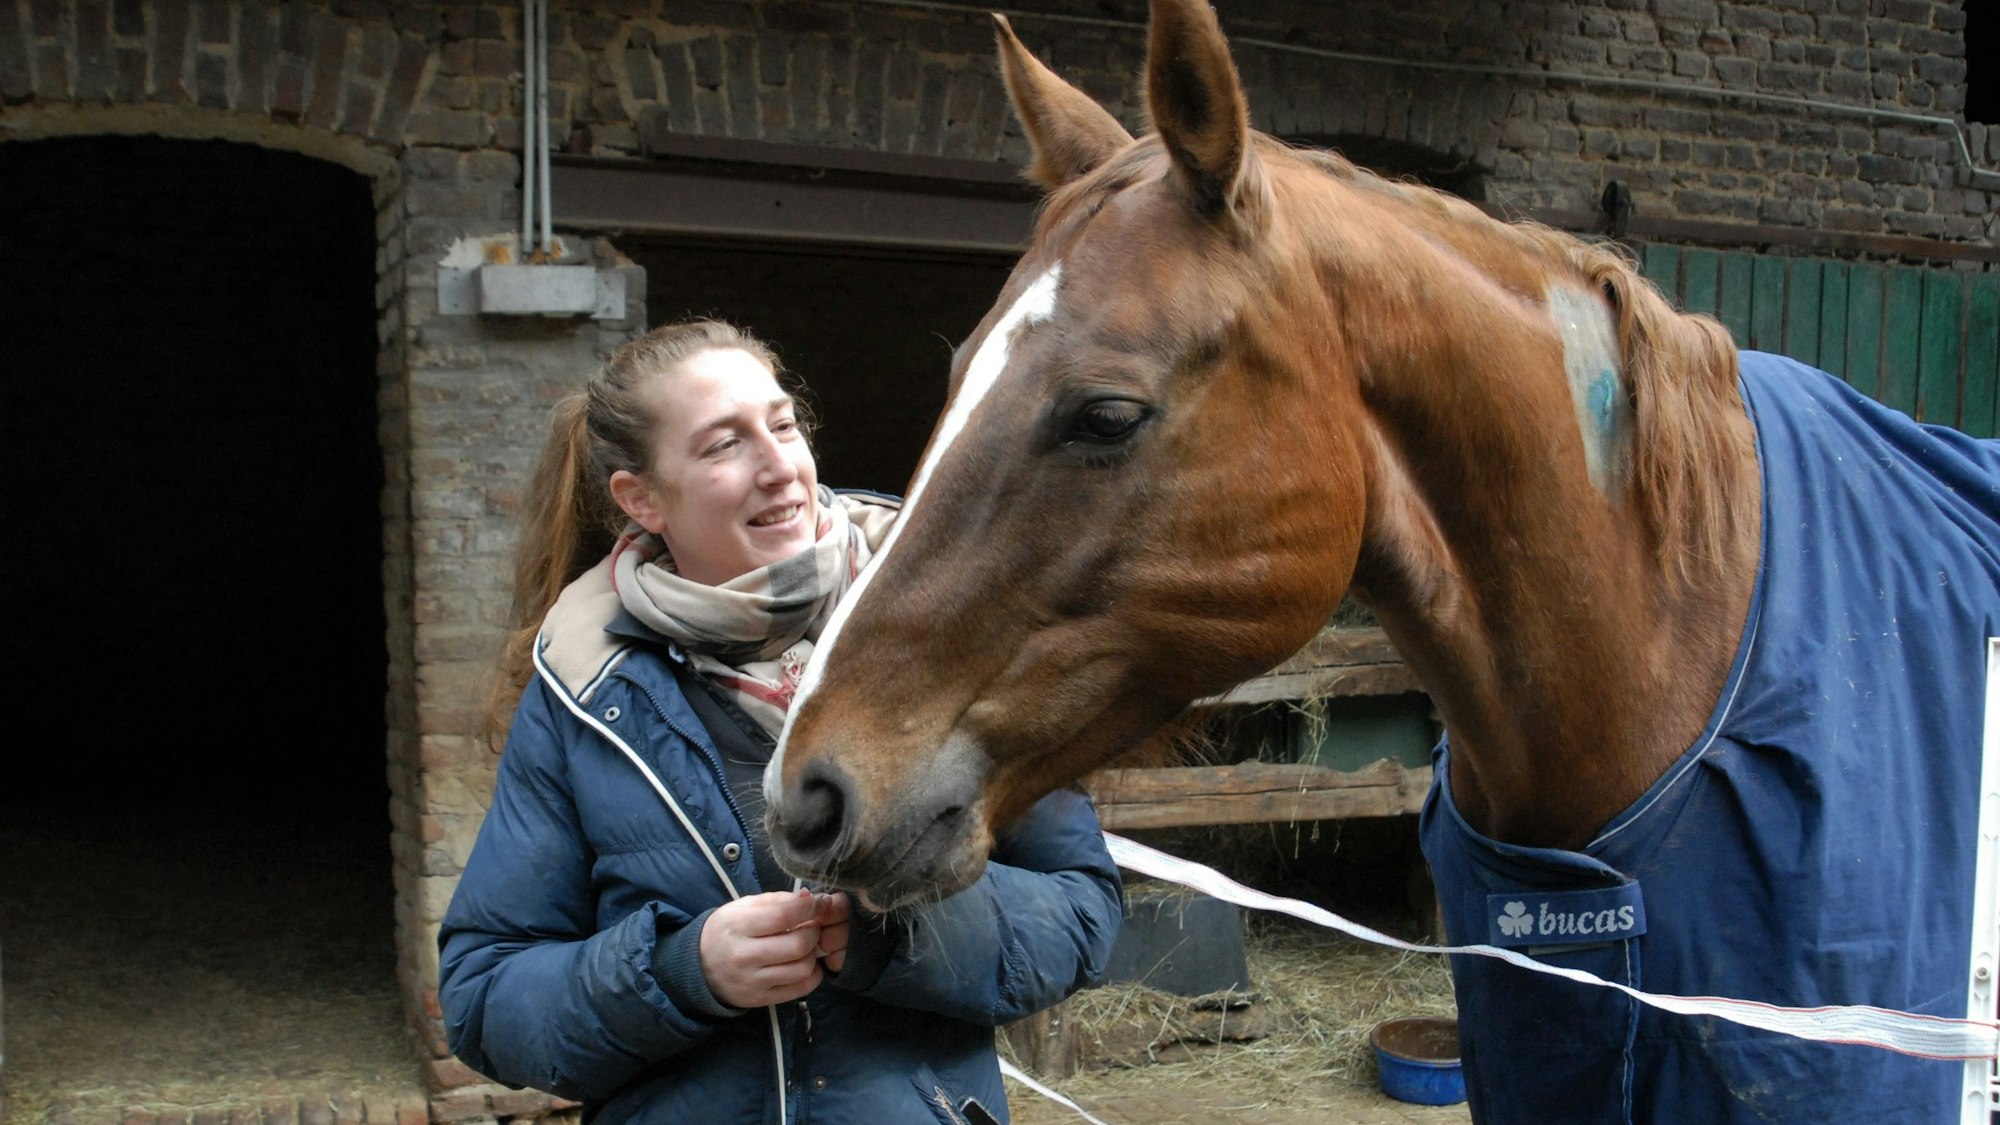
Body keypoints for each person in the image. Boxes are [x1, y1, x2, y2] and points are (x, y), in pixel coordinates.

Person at [437, 319, 1123, 1125]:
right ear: (642, 498)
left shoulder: (950, 634)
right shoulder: (586, 686)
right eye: (724, 444)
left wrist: (898, 931)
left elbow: (1083, 911)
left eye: (783, 424)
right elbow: (485, 994)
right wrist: (681, 973)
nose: (778, 467)